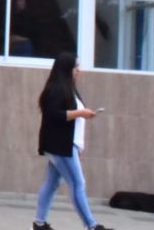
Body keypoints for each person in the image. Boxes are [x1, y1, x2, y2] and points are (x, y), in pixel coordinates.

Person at [33, 52, 112, 230]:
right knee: (78, 183)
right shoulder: (57, 90)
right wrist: (81, 113)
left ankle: (39, 222)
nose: (79, 71)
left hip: (66, 145)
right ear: (67, 69)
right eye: (76, 67)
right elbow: (56, 115)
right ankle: (91, 225)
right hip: (60, 146)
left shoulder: (69, 89)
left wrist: (79, 143)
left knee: (52, 183)